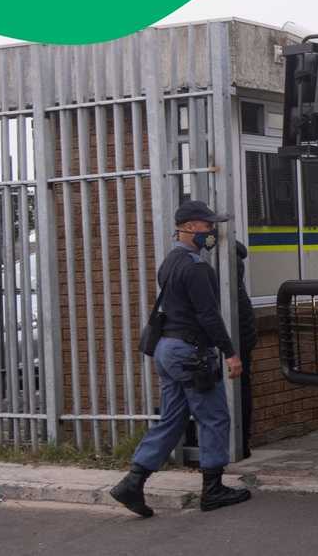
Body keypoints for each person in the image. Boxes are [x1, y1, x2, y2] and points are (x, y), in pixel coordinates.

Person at [110, 200, 251, 517]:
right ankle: (212, 490)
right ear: (189, 228)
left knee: (172, 420)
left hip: (167, 350)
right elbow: (209, 316)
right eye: (206, 225)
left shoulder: (170, 262)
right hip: (190, 354)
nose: (211, 231)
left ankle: (132, 483)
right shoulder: (196, 267)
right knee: (214, 416)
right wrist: (230, 353)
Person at [235, 241, 257, 459]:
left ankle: (239, 442)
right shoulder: (235, 253)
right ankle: (242, 441)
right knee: (243, 387)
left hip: (238, 333)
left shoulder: (226, 257)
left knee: (239, 389)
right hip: (245, 329)